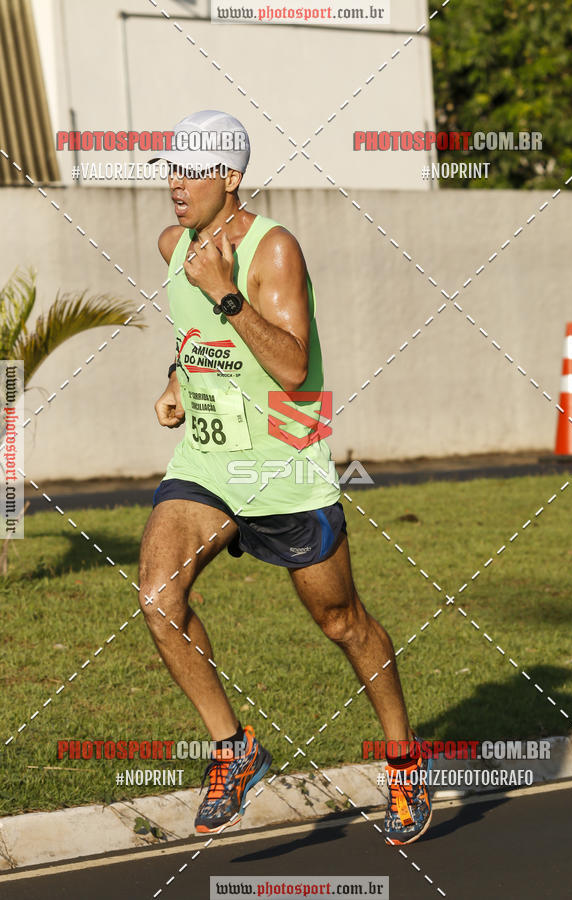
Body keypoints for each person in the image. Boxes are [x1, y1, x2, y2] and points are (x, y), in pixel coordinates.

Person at [141, 109, 431, 844]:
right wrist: (177, 375)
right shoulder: (174, 245)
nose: (175, 187)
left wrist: (226, 294)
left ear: (230, 178)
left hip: (281, 465)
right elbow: (195, 334)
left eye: (190, 172)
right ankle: (234, 750)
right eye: (168, 171)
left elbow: (295, 368)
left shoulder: (271, 251)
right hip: (208, 463)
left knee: (343, 623)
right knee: (157, 595)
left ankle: (402, 761)